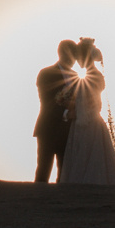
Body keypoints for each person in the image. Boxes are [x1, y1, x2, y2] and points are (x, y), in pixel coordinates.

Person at [55, 37, 115, 186]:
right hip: (90, 122)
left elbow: (88, 106)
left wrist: (72, 113)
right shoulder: (93, 77)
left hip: (86, 124)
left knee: (87, 159)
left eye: (79, 57)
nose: (77, 60)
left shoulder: (90, 78)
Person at [32, 40, 79, 183]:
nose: (73, 59)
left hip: (67, 131)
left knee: (64, 171)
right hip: (48, 128)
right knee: (43, 169)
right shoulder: (46, 73)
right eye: (71, 54)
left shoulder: (76, 76)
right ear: (61, 53)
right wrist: (66, 113)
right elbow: (46, 101)